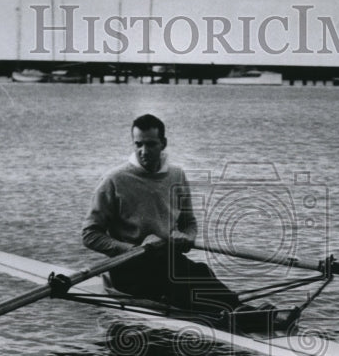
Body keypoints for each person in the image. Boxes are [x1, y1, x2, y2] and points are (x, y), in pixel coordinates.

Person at [83, 114, 295, 330]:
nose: (144, 151)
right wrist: (131, 249)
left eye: (151, 144)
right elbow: (90, 235)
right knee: (182, 284)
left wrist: (186, 237)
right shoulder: (114, 180)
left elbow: (189, 222)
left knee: (201, 273)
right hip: (130, 269)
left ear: (163, 144)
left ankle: (242, 311)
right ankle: (246, 317)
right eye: (138, 144)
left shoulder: (177, 175)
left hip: (167, 261)